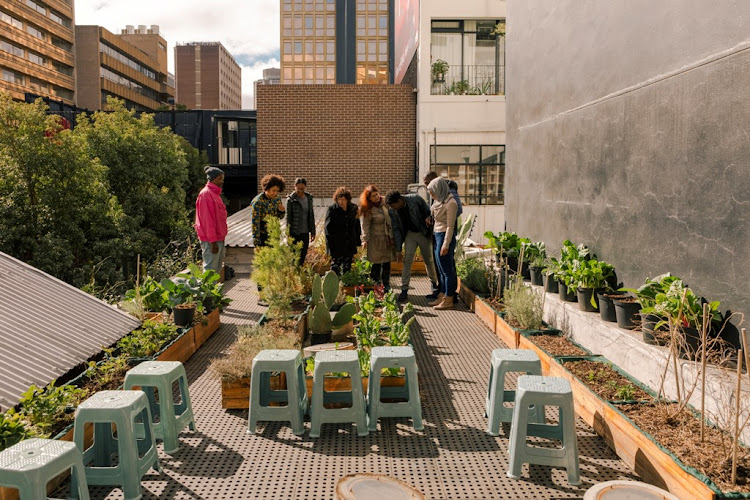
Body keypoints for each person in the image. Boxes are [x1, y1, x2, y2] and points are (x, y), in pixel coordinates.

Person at [384, 190, 439, 302]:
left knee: (428, 260)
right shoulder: (392, 211)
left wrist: (429, 219)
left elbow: (429, 212)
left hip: (422, 232)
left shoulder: (416, 199)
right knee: (407, 260)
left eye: (393, 205)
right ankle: (404, 290)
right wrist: (399, 249)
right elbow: (396, 229)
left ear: (399, 201)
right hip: (409, 234)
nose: (392, 208)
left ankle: (434, 284)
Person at [423, 171, 463, 301]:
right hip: (438, 233)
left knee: (447, 268)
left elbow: (451, 223)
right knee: (441, 268)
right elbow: (434, 211)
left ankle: (449, 297)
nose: (429, 192)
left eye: (429, 185)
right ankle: (442, 294)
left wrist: (446, 243)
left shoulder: (450, 200)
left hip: (445, 234)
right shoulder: (439, 198)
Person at [250, 174, 286, 304]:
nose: (275, 193)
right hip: (262, 237)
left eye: (277, 191)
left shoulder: (277, 199)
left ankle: (272, 293)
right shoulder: (257, 202)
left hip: (274, 236)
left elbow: (279, 217)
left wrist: (282, 211)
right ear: (266, 188)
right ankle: (262, 295)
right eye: (273, 191)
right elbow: (255, 224)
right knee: (263, 266)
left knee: (273, 266)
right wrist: (257, 244)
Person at [359, 185, 395, 290]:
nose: (376, 197)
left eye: (377, 194)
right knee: (377, 263)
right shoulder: (368, 209)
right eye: (373, 196)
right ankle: (375, 285)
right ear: (369, 198)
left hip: (387, 238)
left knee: (387, 262)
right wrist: (365, 239)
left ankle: (386, 285)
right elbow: (365, 225)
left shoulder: (385, 203)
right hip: (375, 239)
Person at [195, 166, 228, 275]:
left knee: (216, 270)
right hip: (211, 240)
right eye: (219, 178)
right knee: (210, 270)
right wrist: (213, 242)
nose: (222, 181)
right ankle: (207, 292)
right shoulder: (206, 194)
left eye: (222, 178)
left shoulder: (215, 194)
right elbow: (207, 220)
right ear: (212, 179)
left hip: (219, 237)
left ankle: (212, 291)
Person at [325, 187, 360, 275]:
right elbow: (328, 229)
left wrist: (358, 242)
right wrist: (329, 248)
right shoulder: (332, 209)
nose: (341, 202)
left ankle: (346, 285)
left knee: (347, 268)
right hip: (337, 244)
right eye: (339, 199)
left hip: (349, 243)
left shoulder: (353, 208)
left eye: (343, 199)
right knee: (335, 268)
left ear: (347, 200)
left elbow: (357, 225)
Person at [286, 177, 316, 267]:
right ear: (294, 187)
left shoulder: (309, 198)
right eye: (298, 188)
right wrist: (288, 233)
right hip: (295, 233)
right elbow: (288, 218)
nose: (300, 191)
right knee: (295, 257)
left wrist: (313, 232)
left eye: (302, 189)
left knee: (303, 255)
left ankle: (300, 273)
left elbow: (311, 216)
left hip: (305, 232)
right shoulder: (291, 200)